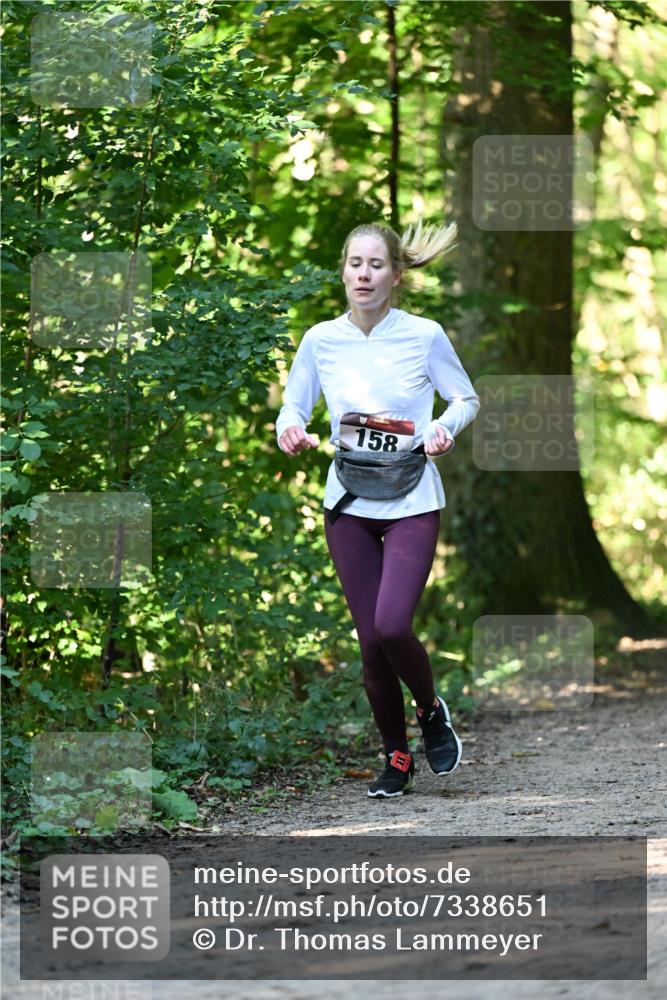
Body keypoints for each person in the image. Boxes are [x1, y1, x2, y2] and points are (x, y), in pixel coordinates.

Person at [276, 220, 480, 798]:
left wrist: (442, 427)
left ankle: (430, 709)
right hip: (349, 500)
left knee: (393, 624)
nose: (363, 275)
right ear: (343, 270)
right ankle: (396, 758)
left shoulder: (423, 334)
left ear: (396, 275)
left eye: (376, 265)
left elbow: (466, 397)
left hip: (412, 496)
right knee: (369, 640)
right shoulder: (321, 339)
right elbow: (293, 407)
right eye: (354, 264)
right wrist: (290, 429)